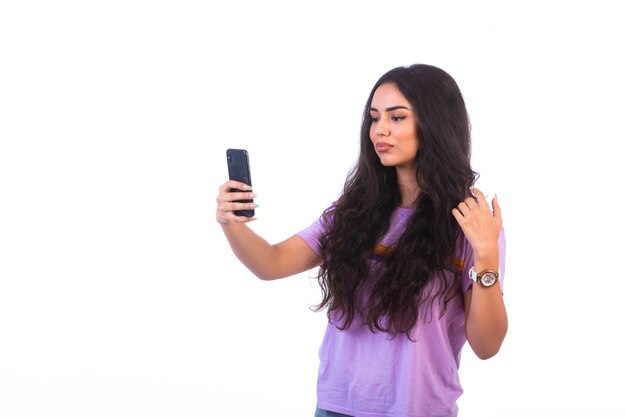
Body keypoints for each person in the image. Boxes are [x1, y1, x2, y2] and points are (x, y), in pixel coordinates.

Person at [216, 64, 507, 417]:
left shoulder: (469, 222)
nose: (379, 130)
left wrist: (487, 255)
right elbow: (272, 262)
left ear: (435, 124)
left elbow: (486, 345)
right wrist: (231, 223)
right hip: (337, 407)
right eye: (374, 117)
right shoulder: (353, 212)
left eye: (397, 117)